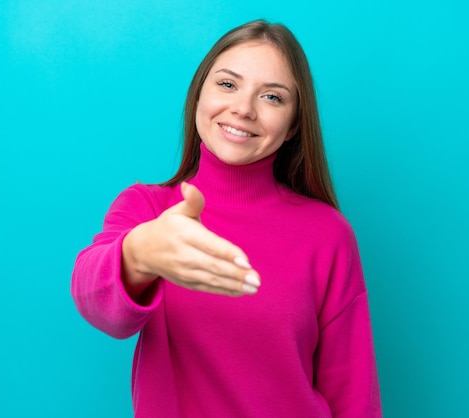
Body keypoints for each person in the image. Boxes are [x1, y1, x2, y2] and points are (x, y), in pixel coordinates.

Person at [72, 19, 382, 417]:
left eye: (272, 97)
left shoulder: (329, 235)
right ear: (199, 94)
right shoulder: (147, 209)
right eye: (228, 84)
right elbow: (94, 302)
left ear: (292, 127)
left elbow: (354, 396)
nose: (243, 108)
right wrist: (139, 254)